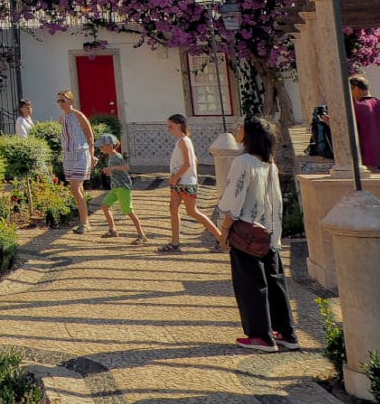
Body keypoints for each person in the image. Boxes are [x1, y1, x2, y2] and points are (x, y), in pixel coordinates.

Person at [218, 116, 299, 352]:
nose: (237, 130)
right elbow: (275, 201)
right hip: (270, 232)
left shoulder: (243, 162)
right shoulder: (269, 164)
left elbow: (235, 199)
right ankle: (287, 332)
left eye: (241, 127)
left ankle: (261, 336)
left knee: (251, 285)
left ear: (249, 134)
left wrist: (224, 230)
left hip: (247, 233)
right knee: (276, 282)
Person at [160, 113, 224, 253]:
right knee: (174, 209)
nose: (169, 129)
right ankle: (175, 242)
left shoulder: (183, 141)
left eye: (170, 126)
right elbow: (194, 161)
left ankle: (222, 239)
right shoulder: (184, 141)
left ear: (178, 125)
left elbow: (189, 162)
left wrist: (176, 176)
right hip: (183, 181)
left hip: (184, 182)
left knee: (192, 211)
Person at [95, 133, 146, 244]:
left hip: (123, 188)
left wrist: (112, 168)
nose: (100, 148)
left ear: (110, 146)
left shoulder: (117, 156)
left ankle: (141, 235)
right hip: (115, 187)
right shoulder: (111, 156)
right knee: (105, 206)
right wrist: (110, 171)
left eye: (102, 146)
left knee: (129, 211)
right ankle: (113, 229)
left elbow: (126, 167)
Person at [57, 90, 94, 233]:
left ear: (70, 101)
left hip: (81, 153)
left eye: (63, 100)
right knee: (78, 189)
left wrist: (92, 155)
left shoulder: (78, 115)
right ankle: (84, 220)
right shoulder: (62, 118)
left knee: (74, 187)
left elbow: (90, 135)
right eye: (59, 101)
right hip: (68, 155)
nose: (61, 103)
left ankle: (85, 223)